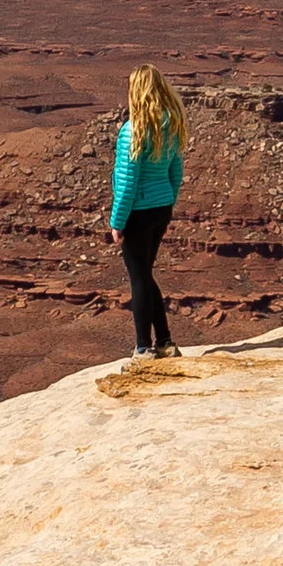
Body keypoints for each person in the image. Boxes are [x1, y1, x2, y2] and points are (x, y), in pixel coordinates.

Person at [108, 64, 186, 361]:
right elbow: (176, 172)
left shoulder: (134, 130)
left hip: (139, 212)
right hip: (160, 208)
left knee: (139, 278)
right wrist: (167, 203)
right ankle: (164, 341)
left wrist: (117, 222)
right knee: (145, 274)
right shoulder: (172, 124)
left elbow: (127, 182)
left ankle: (143, 347)